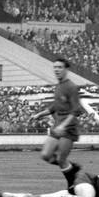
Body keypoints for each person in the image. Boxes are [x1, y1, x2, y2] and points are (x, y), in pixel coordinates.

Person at [31, 57, 87, 187]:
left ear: (66, 70)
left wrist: (63, 125)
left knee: (61, 159)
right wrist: (40, 114)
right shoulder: (58, 86)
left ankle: (72, 183)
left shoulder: (71, 87)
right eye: (55, 67)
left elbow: (76, 110)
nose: (56, 70)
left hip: (68, 127)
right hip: (58, 126)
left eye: (60, 67)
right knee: (45, 155)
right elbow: (55, 106)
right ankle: (72, 169)